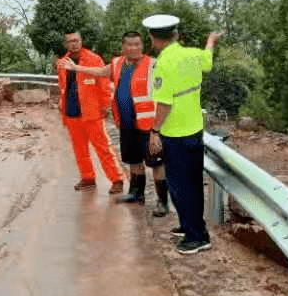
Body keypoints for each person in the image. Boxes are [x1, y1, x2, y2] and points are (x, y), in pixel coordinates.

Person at [59, 31, 169, 216]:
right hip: (127, 124)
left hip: (148, 125)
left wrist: (157, 130)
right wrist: (76, 68)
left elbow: (165, 96)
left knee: (156, 164)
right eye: (129, 45)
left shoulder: (153, 65)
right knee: (134, 160)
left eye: (137, 44)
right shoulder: (118, 63)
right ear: (123, 47)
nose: (133, 48)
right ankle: (136, 193)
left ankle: (162, 203)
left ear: (142, 46)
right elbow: (101, 72)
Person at [143, 14, 220, 255]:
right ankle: (189, 226)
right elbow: (207, 60)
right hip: (194, 129)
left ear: (152, 39)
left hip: (175, 134)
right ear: (175, 35)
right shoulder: (192, 55)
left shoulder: (163, 63)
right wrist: (210, 41)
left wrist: (155, 131)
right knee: (192, 184)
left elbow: (164, 105)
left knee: (180, 186)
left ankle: (197, 236)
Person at [57, 31, 124, 194]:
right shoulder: (62, 62)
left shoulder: (94, 59)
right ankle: (88, 178)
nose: (74, 44)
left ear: (81, 41)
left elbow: (104, 84)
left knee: (102, 148)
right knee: (79, 150)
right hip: (72, 113)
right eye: (70, 41)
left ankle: (116, 180)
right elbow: (62, 86)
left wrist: (105, 105)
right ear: (66, 44)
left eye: (77, 40)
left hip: (91, 113)